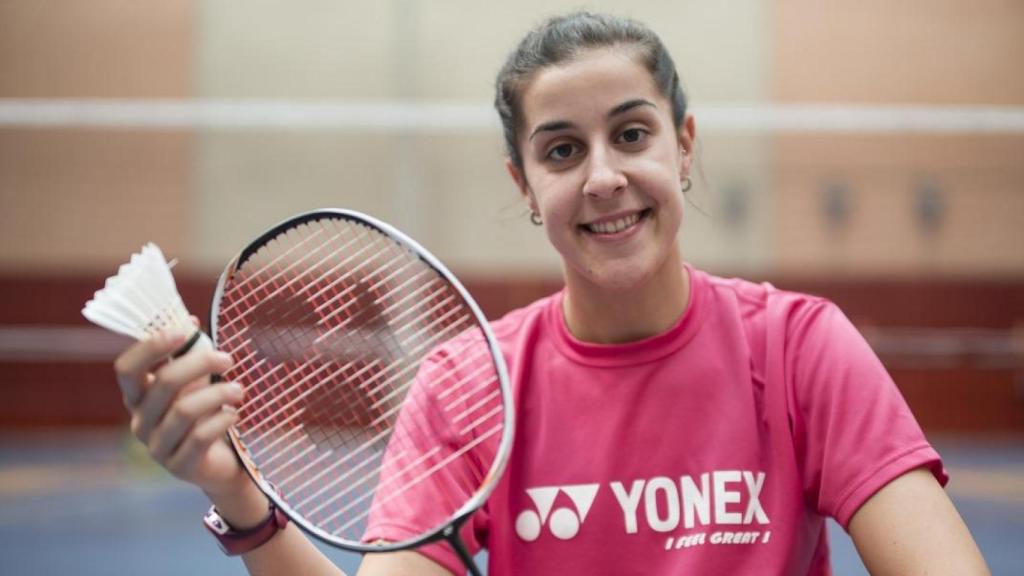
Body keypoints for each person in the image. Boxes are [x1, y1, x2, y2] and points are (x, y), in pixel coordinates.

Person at [113, 11, 990, 575]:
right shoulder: (468, 386)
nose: (604, 177)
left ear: (684, 147)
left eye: (633, 134)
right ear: (526, 185)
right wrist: (238, 498)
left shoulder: (799, 349)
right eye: (563, 151)